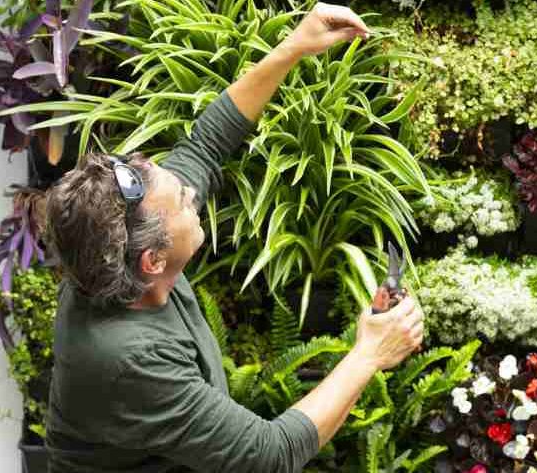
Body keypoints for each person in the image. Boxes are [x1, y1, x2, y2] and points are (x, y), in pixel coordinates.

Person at [44, 3, 424, 472]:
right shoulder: (127, 359)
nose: (191, 191)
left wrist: (293, 47)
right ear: (153, 261)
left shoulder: (112, 251)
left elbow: (204, 145)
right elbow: (270, 455)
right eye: (183, 201)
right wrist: (369, 353)